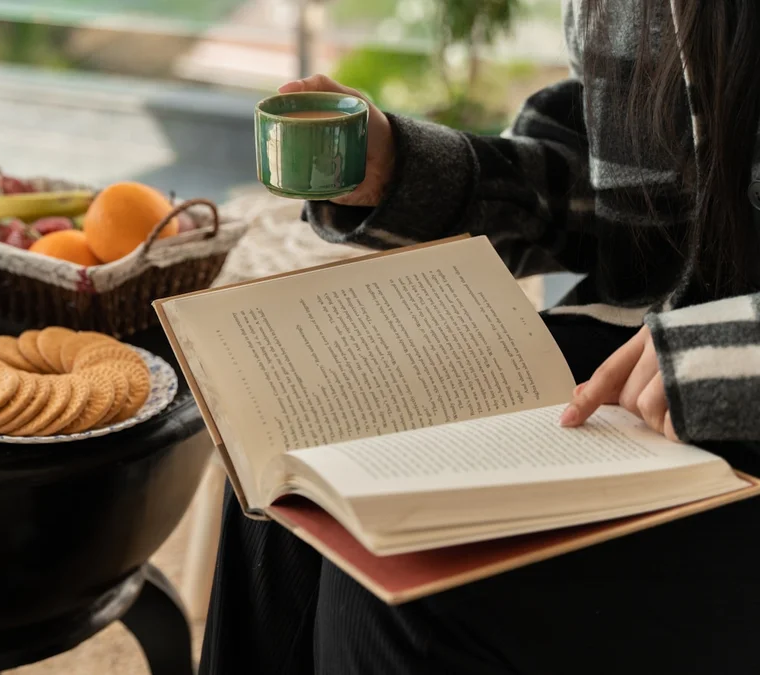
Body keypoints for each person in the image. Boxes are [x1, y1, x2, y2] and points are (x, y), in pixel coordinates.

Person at [200, 1, 760, 673]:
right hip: (639, 365)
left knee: (404, 585)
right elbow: (613, 187)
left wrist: (730, 354)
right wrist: (401, 172)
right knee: (291, 449)